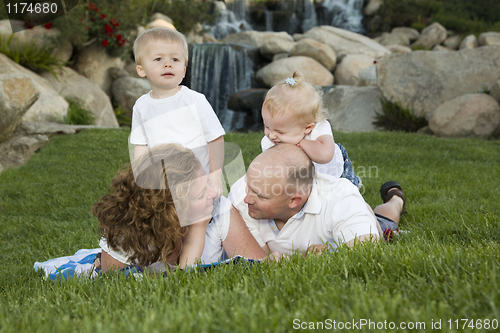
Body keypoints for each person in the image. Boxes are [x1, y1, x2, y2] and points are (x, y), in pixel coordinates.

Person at [92, 144, 266, 273]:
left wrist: (198, 227)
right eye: (200, 194)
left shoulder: (219, 208)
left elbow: (259, 269)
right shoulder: (126, 233)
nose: (214, 193)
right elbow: (113, 284)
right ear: (170, 211)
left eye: (208, 181)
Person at [229, 144, 406, 256]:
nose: (247, 198)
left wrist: (329, 256)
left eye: (260, 195)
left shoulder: (340, 199)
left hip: (360, 220)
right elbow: (260, 258)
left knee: (386, 223)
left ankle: (396, 199)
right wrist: (305, 258)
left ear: (294, 201)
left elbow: (367, 255)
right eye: (248, 186)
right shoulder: (240, 197)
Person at [130, 27, 224, 198]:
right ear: (141, 70)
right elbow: (141, 146)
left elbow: (215, 139)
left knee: (198, 221)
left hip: (196, 182)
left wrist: (215, 177)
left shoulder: (194, 101)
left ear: (184, 70)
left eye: (175, 59)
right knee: (165, 222)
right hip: (161, 183)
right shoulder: (141, 106)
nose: (168, 64)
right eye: (158, 59)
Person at [260, 71, 361, 187]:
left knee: (349, 201)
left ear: (307, 128)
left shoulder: (319, 128)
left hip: (334, 175)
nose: (271, 135)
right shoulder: (272, 141)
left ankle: (366, 205)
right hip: (305, 181)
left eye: (280, 132)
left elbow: (325, 155)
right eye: (267, 126)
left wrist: (301, 142)